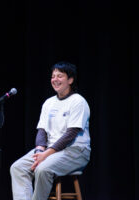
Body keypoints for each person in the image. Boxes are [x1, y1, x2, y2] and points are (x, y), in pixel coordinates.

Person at [10, 61, 91, 200]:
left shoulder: (78, 101)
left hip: (75, 151)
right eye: (53, 76)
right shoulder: (49, 102)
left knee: (43, 169)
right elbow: (42, 130)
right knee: (18, 168)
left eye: (60, 76)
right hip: (50, 150)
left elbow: (70, 134)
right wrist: (40, 151)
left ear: (70, 80)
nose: (55, 79)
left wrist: (46, 154)